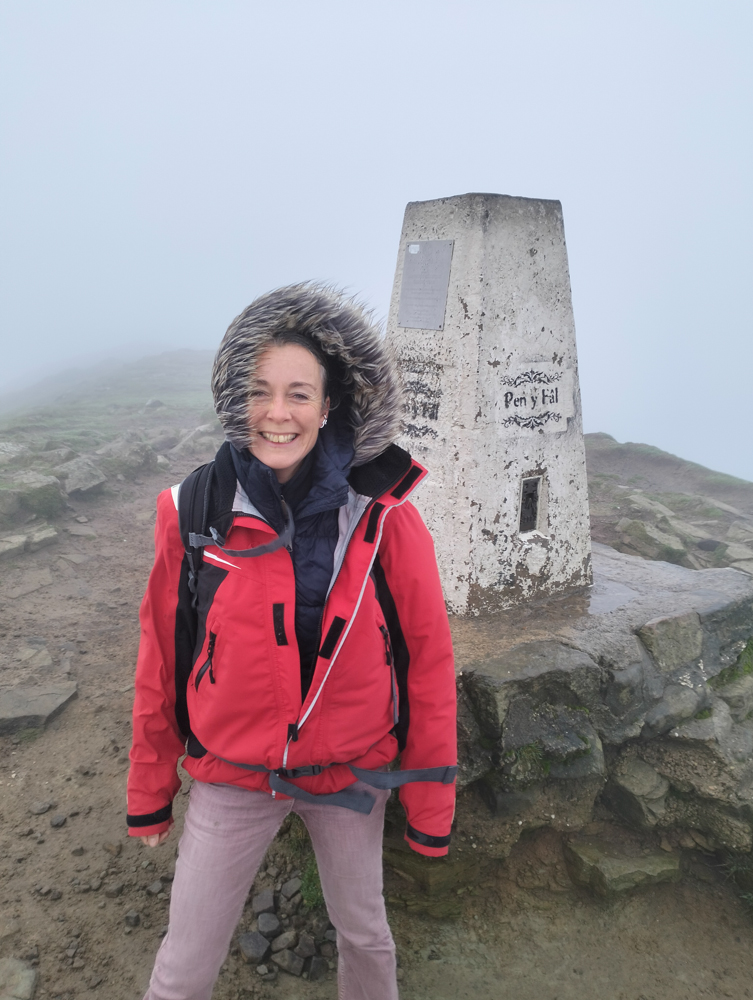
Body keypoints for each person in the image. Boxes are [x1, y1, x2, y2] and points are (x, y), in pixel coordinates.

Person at [127, 283, 457, 1000]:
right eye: (259, 391)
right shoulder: (191, 510)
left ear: (330, 404)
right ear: (234, 400)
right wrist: (150, 789)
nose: (277, 414)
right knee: (183, 967)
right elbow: (162, 654)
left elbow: (427, 662)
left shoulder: (384, 516)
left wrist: (431, 803)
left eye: (299, 393)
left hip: (350, 774)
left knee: (366, 935)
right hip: (231, 776)